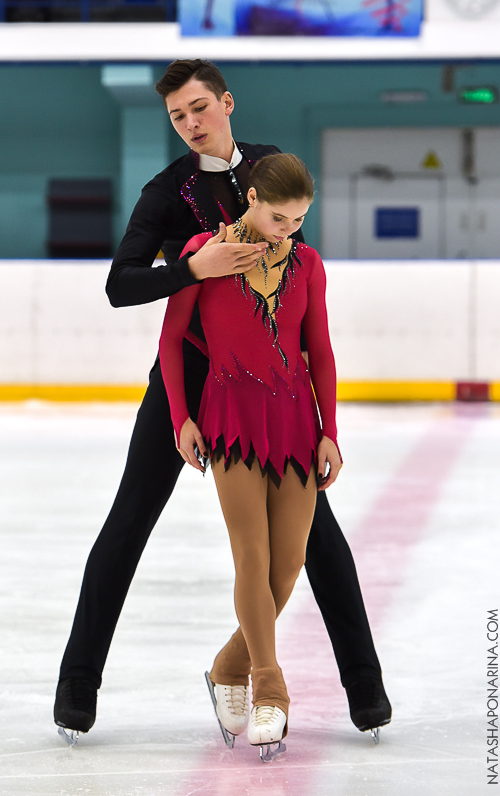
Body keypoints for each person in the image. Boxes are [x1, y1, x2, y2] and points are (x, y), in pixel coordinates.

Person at [53, 58, 391, 743]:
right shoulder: (164, 193)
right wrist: (190, 269)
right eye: (178, 115)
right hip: (190, 373)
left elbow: (295, 263)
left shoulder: (270, 165)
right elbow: (120, 285)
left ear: (226, 103)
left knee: (315, 535)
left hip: (266, 383)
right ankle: (77, 686)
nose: (191, 123)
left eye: (199, 107)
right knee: (130, 520)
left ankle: (364, 687)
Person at [159, 152, 341, 757]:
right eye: (280, 217)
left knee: (287, 565)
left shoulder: (308, 264)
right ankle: (269, 687)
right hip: (231, 417)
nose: (290, 229)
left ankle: (227, 666)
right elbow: (170, 340)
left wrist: (330, 430)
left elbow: (321, 350)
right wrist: (181, 418)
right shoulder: (205, 252)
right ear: (254, 197)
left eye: (300, 219)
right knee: (252, 555)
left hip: (294, 422)